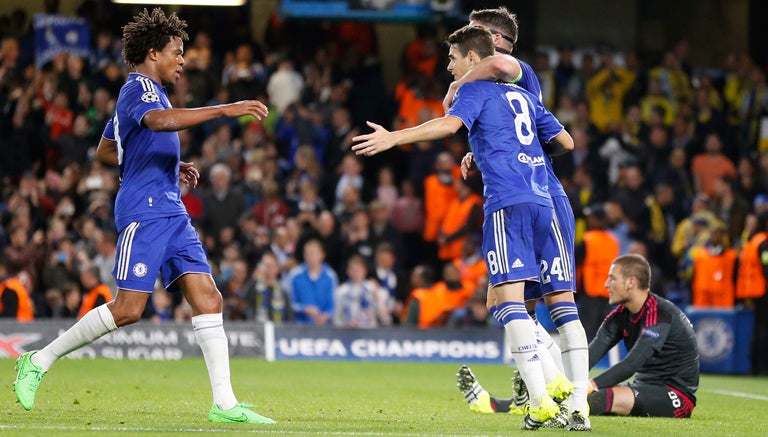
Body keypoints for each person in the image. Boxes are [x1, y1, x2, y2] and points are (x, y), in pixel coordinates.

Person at [13, 8, 275, 424]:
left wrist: (170, 163)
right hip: (146, 211)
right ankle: (38, 360)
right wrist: (226, 109)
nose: (182, 59)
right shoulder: (141, 89)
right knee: (129, 308)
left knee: (208, 297)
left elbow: (106, 149)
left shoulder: (149, 94)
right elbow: (158, 121)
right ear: (154, 53)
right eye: (177, 51)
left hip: (170, 208)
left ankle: (225, 405)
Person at [353, 24, 573, 430]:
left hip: (507, 202)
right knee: (509, 301)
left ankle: (544, 397)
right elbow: (567, 142)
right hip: (546, 200)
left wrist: (394, 138)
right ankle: (555, 379)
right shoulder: (523, 93)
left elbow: (446, 126)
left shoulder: (474, 88)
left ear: (474, 58)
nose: (449, 66)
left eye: (453, 58)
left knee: (508, 304)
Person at [446, 7, 591, 429]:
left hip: (531, 196)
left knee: (517, 303)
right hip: (538, 195)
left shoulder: (513, 70)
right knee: (521, 307)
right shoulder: (501, 87)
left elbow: (501, 62)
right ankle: (557, 395)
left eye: (475, 32)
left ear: (492, 37)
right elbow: (545, 135)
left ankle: (562, 392)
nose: (468, 40)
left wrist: (454, 88)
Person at [459, 254, 700, 419]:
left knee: (596, 398)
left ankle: (525, 406)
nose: (606, 284)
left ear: (631, 282)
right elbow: (588, 355)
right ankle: (511, 403)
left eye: (612, 278)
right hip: (643, 386)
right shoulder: (619, 315)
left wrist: (589, 384)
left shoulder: (661, 314)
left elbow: (632, 363)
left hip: (675, 394)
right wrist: (560, 382)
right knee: (574, 391)